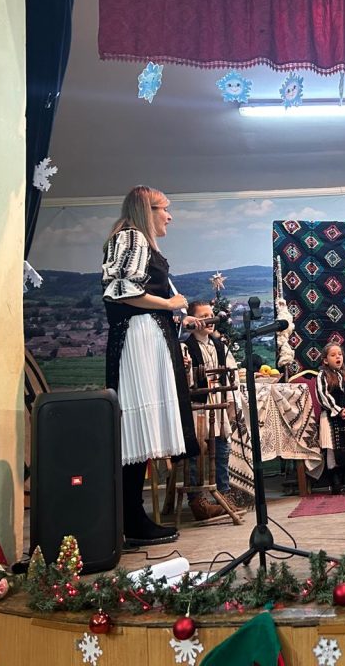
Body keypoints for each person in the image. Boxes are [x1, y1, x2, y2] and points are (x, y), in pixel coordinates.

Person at [102, 185, 198, 546]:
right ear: (146, 210)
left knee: (142, 428)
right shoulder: (130, 237)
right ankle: (131, 517)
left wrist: (178, 317)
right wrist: (169, 304)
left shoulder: (139, 240)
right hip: (138, 340)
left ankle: (132, 515)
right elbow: (121, 290)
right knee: (136, 427)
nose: (169, 216)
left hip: (149, 335)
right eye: (164, 209)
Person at [180, 300, 248, 520]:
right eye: (203, 316)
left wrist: (230, 400)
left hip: (218, 402)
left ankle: (223, 494)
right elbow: (184, 380)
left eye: (211, 315)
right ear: (193, 321)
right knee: (196, 451)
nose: (210, 320)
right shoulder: (186, 347)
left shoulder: (219, 346)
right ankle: (197, 501)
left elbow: (232, 372)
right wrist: (189, 371)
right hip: (198, 405)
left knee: (221, 449)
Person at [316, 343, 345, 494]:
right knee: (332, 448)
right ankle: (336, 482)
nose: (338, 357)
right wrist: (338, 410)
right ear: (325, 360)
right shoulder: (322, 375)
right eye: (333, 355)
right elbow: (323, 395)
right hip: (331, 416)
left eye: (340, 354)